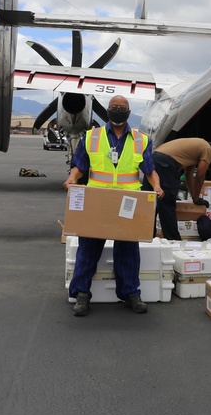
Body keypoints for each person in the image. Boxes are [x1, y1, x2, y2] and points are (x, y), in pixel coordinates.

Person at [64, 96, 163, 316]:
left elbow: (150, 169)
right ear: (108, 111)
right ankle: (81, 294)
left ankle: (130, 294)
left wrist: (156, 186)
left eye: (122, 108)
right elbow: (79, 165)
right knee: (88, 248)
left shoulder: (141, 139)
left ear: (128, 112)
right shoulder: (92, 137)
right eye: (114, 108)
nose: (118, 111)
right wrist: (72, 178)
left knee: (128, 249)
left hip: (128, 203)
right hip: (98, 200)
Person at [148, 138, 211, 240]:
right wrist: (197, 197)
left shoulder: (195, 150)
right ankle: (173, 241)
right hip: (167, 164)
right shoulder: (209, 150)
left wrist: (195, 198)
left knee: (149, 201)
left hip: (154, 158)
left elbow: (188, 175)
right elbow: (200, 175)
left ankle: (146, 235)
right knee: (167, 203)